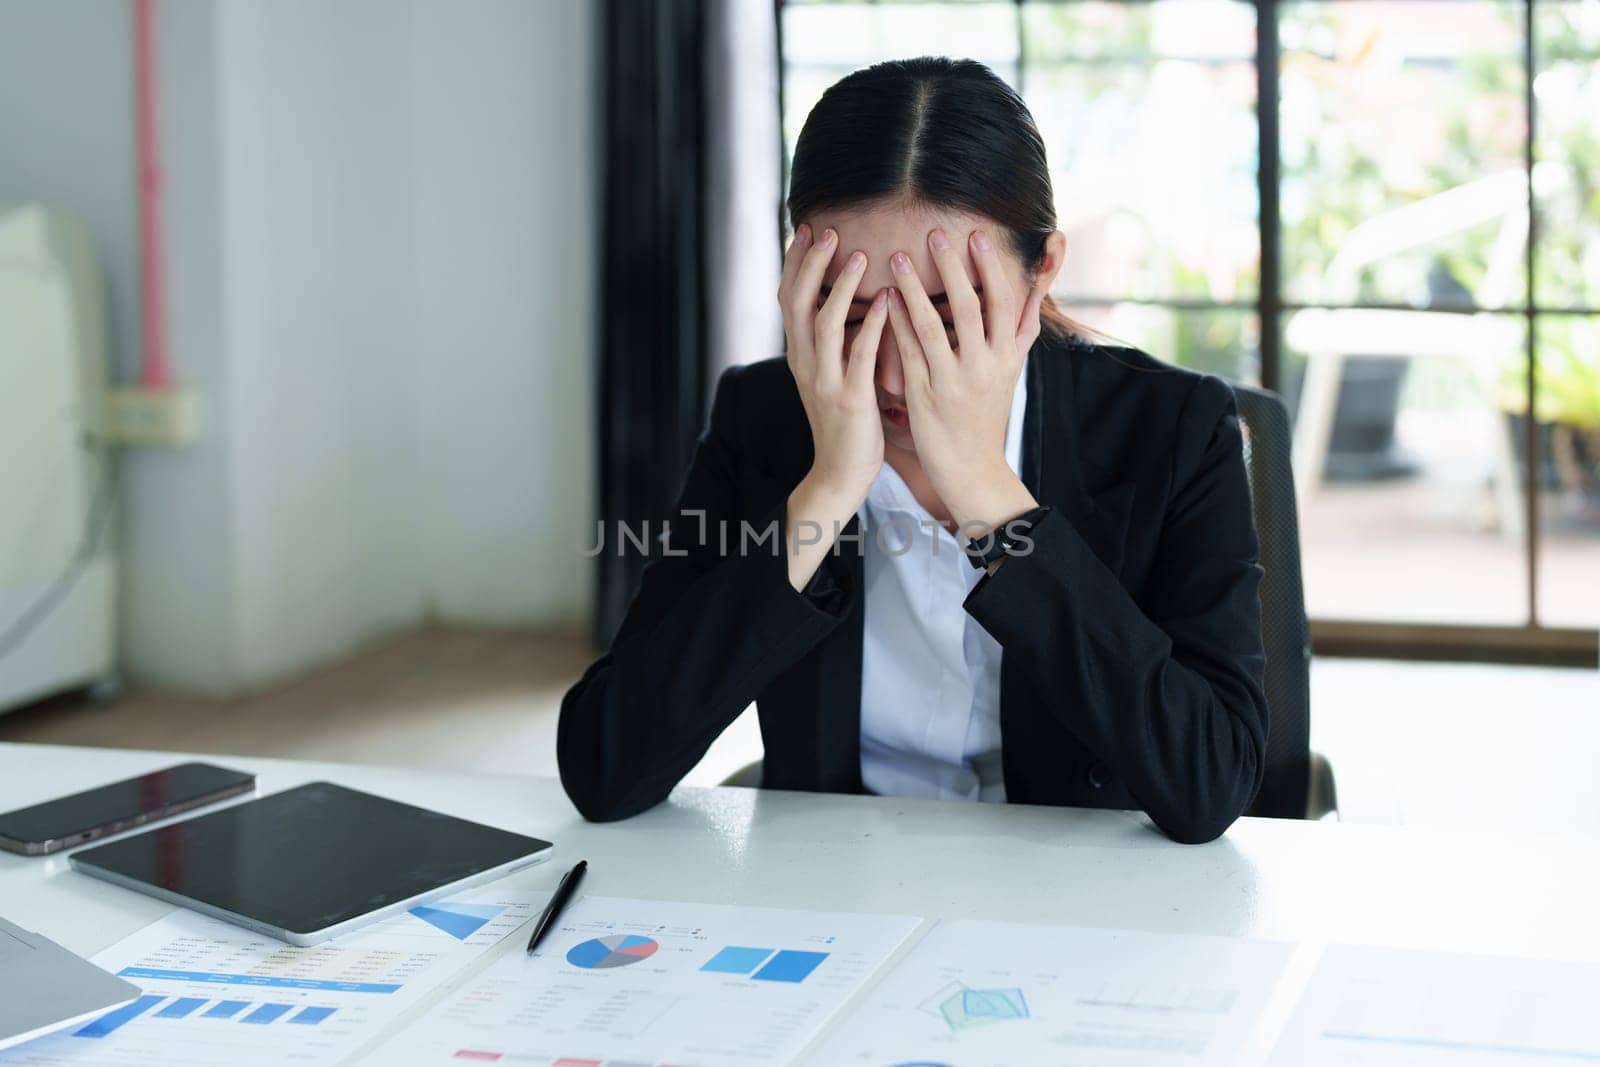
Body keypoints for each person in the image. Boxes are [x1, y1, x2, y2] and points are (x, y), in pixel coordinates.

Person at [558, 56, 1267, 844]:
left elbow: (1210, 780)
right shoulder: (762, 418)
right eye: (852, 313)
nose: (894, 373)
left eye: (945, 313)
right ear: (799, 278)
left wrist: (991, 497)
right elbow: (604, 766)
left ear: (1043, 272)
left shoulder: (1176, 428)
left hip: (1075, 902)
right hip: (840, 891)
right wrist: (824, 493)